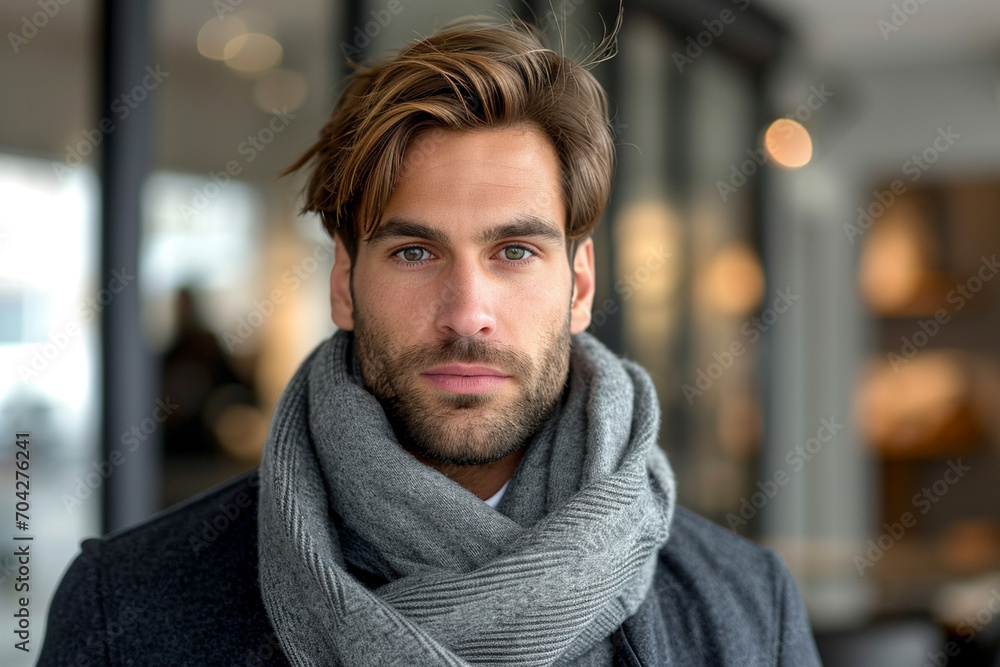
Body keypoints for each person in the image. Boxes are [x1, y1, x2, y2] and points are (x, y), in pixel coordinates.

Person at [39, 15, 822, 666]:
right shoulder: (128, 605)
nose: (467, 312)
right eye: (415, 251)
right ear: (344, 282)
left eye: (515, 252)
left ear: (579, 285)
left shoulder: (749, 606)